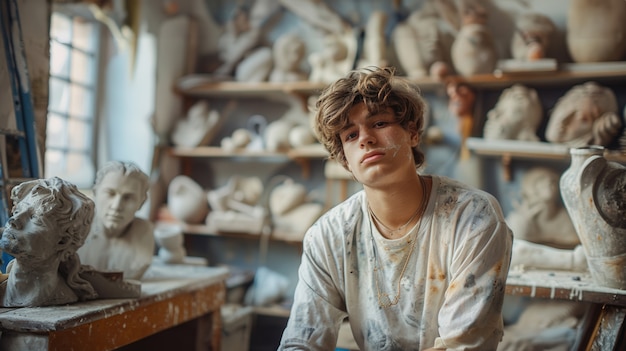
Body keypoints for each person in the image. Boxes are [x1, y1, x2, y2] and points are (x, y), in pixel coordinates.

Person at [278, 66, 513, 350]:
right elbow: (301, 342)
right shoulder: (328, 236)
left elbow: (463, 345)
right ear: (344, 161)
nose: (365, 138)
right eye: (350, 135)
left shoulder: (472, 216)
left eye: (378, 124)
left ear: (412, 133)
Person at [0, 177, 98, 307]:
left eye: (35, 218)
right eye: (17, 212)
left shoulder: (57, 297)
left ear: (63, 241)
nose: (14, 221)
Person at [78, 161, 155, 280]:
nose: (116, 206)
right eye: (110, 193)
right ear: (95, 193)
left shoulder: (144, 234)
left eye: (128, 197)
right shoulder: (75, 230)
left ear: (142, 202)